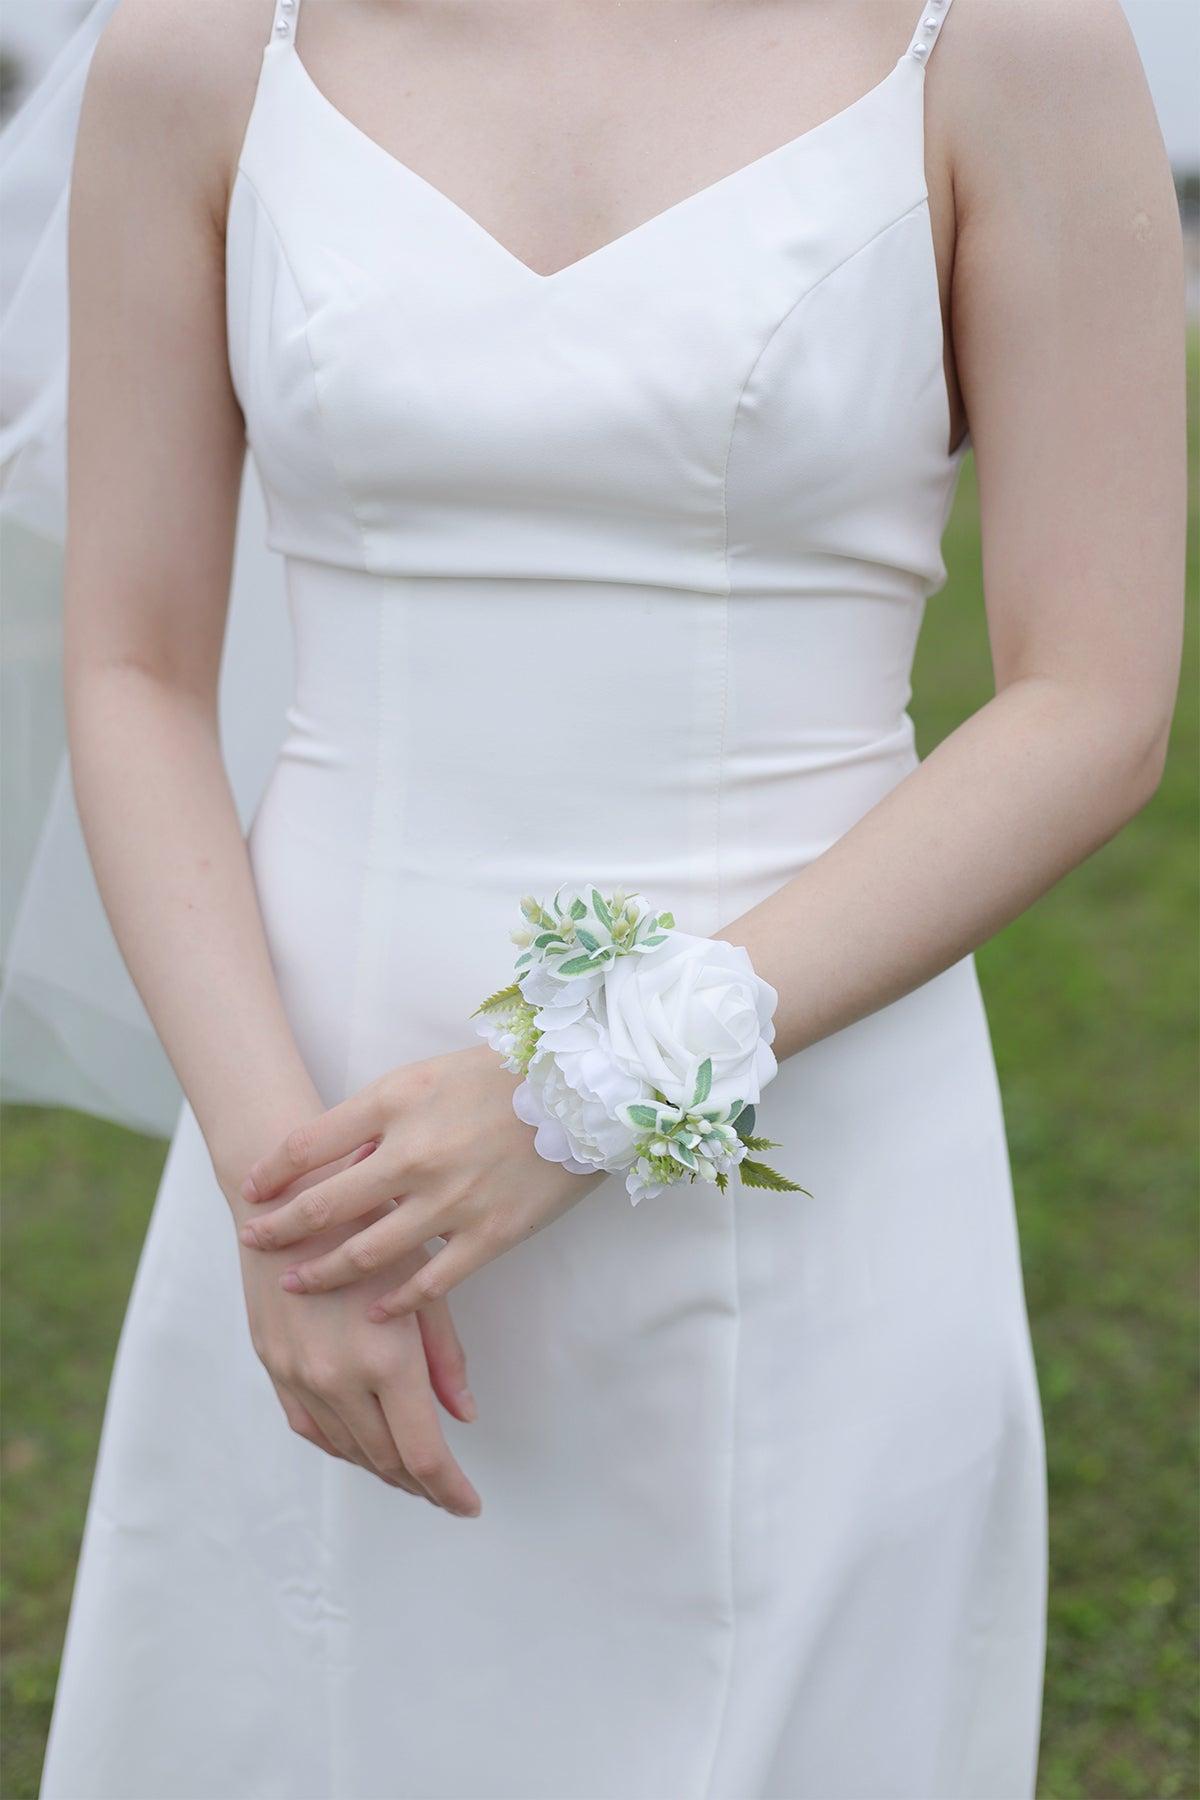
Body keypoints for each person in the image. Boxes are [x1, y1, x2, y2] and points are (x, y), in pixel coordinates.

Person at [5, 0, 1185, 1795]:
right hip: (320, 1132)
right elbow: (137, 674)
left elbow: (1092, 704)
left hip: (812, 1113)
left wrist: (588, 1086)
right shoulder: (206, 52)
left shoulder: (1005, 45)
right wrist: (292, 1214)